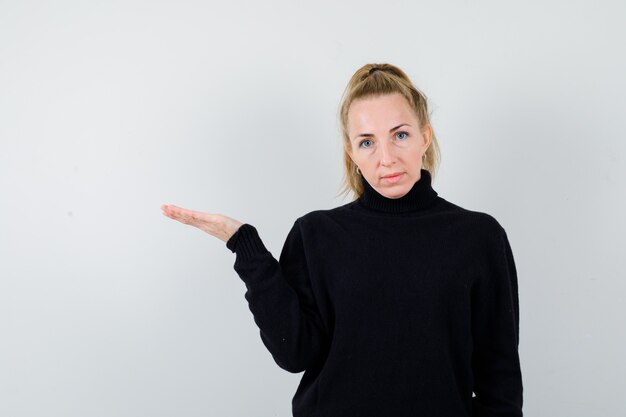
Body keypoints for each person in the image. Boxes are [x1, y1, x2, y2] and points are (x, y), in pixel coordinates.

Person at [161, 63, 523, 416]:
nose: (386, 158)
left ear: (424, 138)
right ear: (351, 151)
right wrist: (245, 245)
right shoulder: (315, 235)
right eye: (367, 142)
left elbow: (499, 381)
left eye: (400, 135)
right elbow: (294, 354)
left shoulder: (478, 237)